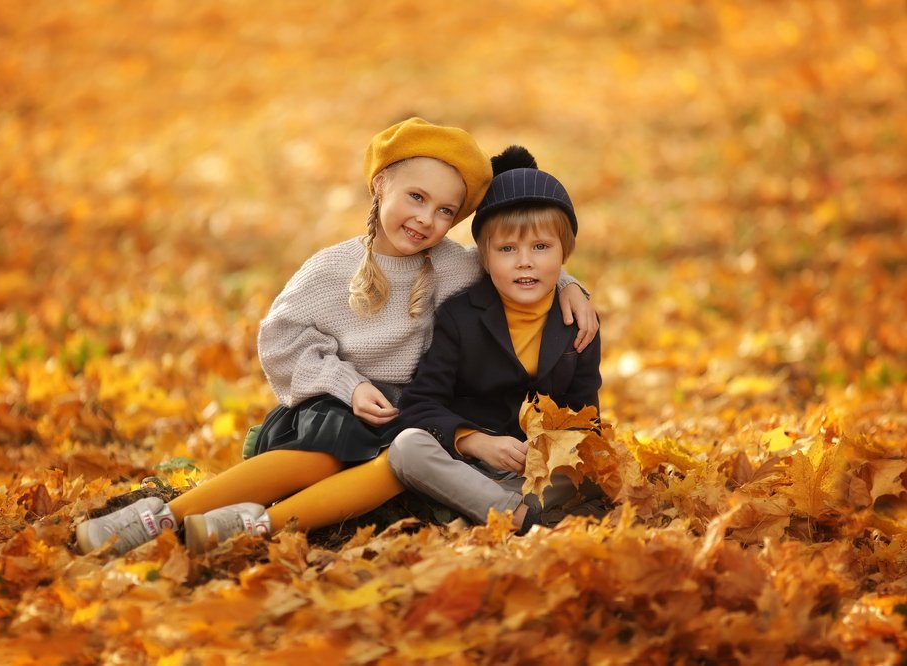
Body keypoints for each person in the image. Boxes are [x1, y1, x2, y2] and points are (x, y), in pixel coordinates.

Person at [75, 119, 598, 556]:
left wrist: (572, 287)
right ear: (380, 185)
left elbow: (517, 263)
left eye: (444, 211)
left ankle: (254, 526)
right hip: (338, 406)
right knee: (328, 452)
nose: (425, 219)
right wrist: (344, 384)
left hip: (408, 415)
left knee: (398, 463)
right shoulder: (332, 270)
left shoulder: (453, 267)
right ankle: (161, 517)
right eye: (415, 197)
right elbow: (280, 340)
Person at [388, 145, 606, 535]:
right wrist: (473, 441)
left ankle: (492, 507)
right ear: (484, 259)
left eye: (541, 247)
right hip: (468, 462)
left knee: (598, 466)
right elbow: (419, 405)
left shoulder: (578, 322)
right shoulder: (460, 316)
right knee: (407, 449)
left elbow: (586, 416)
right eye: (507, 249)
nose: (525, 261)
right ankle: (519, 517)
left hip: (538, 473)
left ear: (564, 252)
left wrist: (553, 456)